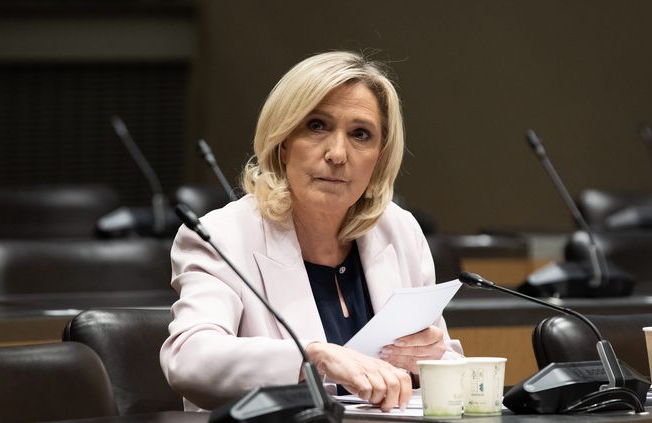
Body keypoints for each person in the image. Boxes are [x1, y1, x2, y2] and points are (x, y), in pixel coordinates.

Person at [160, 51, 463, 413]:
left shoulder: (398, 231)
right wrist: (314, 356)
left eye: (360, 134)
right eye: (317, 126)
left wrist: (428, 358)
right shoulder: (223, 235)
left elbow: (446, 361)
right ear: (284, 140)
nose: (337, 153)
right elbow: (189, 359)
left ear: (379, 157)